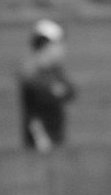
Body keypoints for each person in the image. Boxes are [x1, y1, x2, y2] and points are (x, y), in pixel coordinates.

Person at [18, 19, 77, 153]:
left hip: (56, 136)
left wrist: (56, 91)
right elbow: (35, 108)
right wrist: (40, 137)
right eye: (58, 44)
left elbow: (71, 92)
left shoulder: (55, 71)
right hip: (41, 142)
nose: (63, 49)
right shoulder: (31, 73)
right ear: (45, 45)